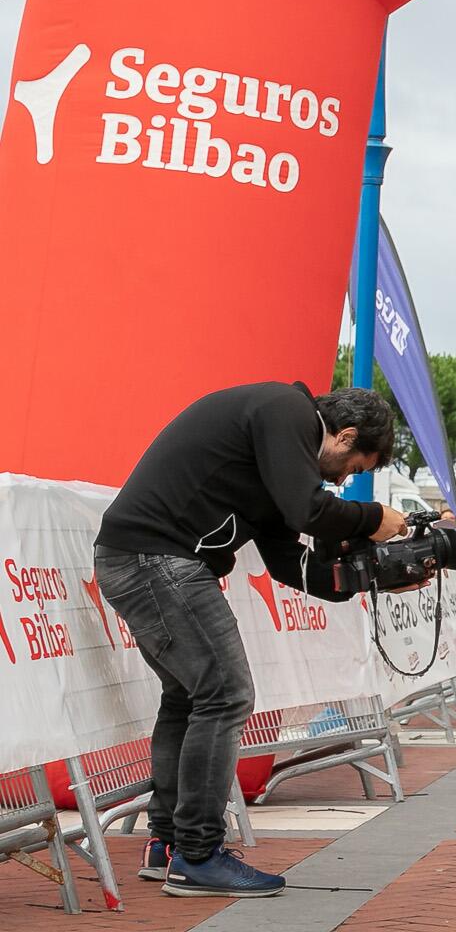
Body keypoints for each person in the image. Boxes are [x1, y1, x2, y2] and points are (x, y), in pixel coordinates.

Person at [93, 383, 410, 897]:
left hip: (142, 557)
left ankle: (169, 845)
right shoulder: (287, 412)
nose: (347, 479)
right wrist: (374, 520)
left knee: (189, 698)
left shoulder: (274, 446)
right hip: (157, 558)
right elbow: (309, 510)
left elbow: (291, 561)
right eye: (354, 465)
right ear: (345, 434)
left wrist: (377, 576)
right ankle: (198, 856)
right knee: (225, 694)